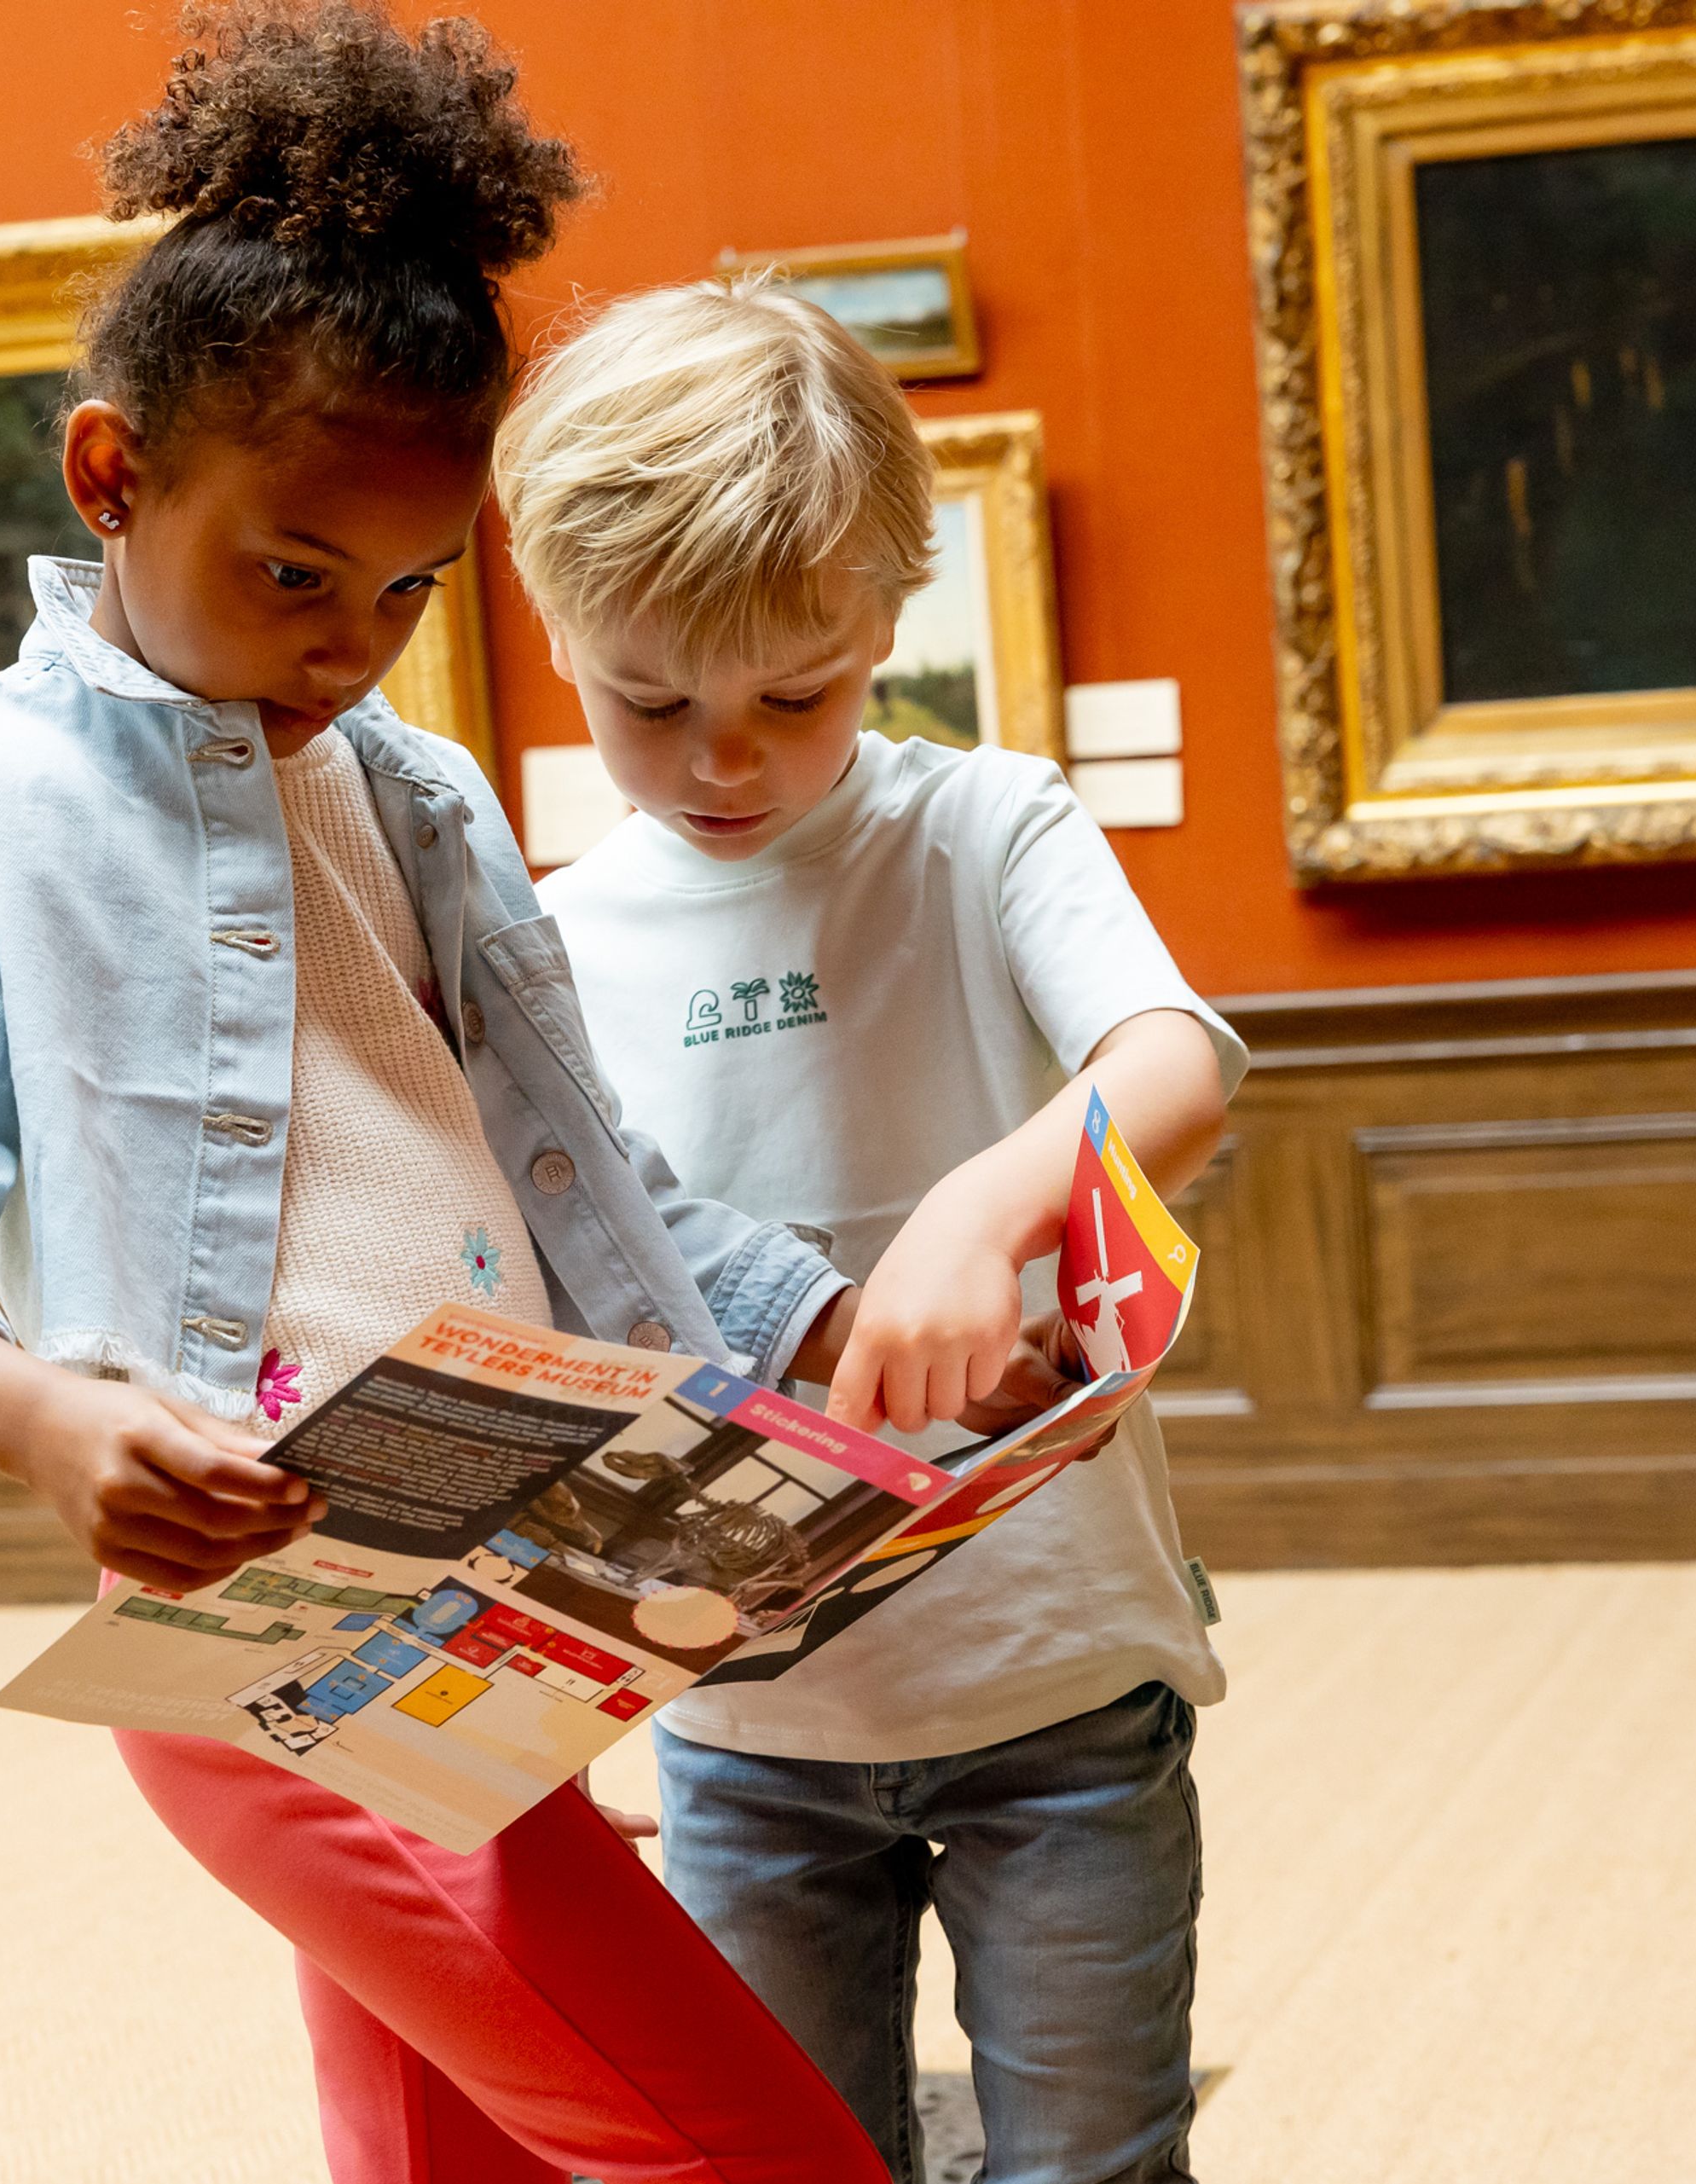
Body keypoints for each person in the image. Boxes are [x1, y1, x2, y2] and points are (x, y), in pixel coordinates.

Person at [0, 10, 967, 2181]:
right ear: (110, 475)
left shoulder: (416, 792)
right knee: (754, 2144)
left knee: (457, 2150)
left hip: (522, 1581)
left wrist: (840, 1335)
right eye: (293, 570)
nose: (349, 640)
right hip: (280, 1633)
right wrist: (43, 1416)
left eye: (405, 587)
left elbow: (582, 1169)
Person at [505, 278, 1246, 2184]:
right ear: (558, 630)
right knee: (781, 2158)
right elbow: (572, 1314)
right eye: (650, 702)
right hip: (747, 1722)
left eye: (796, 693)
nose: (722, 759)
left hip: (1058, 1684)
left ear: (889, 620)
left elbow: (1173, 1059)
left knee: (1093, 2161)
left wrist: (984, 1203)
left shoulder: (985, 824)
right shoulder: (555, 939)